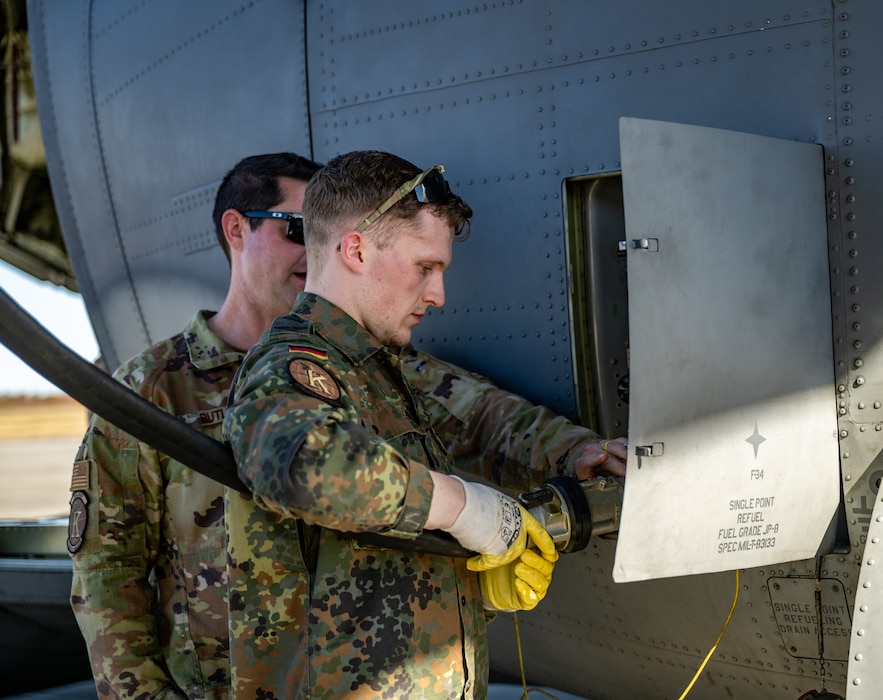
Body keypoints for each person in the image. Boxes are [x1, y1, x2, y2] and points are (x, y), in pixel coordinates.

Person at [69, 151, 626, 699]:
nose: (314, 247)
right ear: (237, 230)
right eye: (298, 228)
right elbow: (108, 572)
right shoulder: (154, 389)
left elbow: (484, 417)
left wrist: (577, 454)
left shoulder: (376, 368)